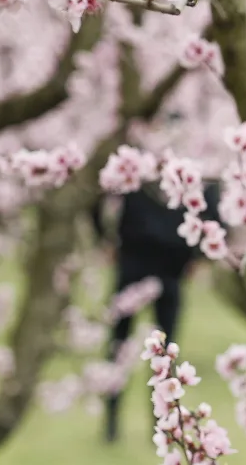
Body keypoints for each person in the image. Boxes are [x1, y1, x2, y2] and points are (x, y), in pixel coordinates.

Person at [92, 181, 220, 442]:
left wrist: (198, 256)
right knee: (122, 345)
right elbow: (95, 195)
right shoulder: (136, 164)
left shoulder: (199, 168)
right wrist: (104, 239)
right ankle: (112, 422)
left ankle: (161, 424)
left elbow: (215, 214)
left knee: (164, 352)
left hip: (169, 267)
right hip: (135, 261)